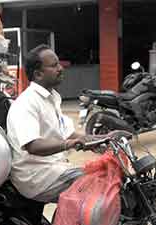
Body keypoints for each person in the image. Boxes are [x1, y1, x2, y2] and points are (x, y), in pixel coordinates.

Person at [6, 44, 108, 203]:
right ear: (38, 74)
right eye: (54, 66)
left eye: (59, 64)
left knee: (106, 178)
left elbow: (70, 134)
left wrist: (105, 139)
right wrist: (70, 144)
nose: (61, 68)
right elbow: (33, 146)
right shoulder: (26, 103)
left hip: (54, 169)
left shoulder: (53, 98)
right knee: (98, 185)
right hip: (37, 176)